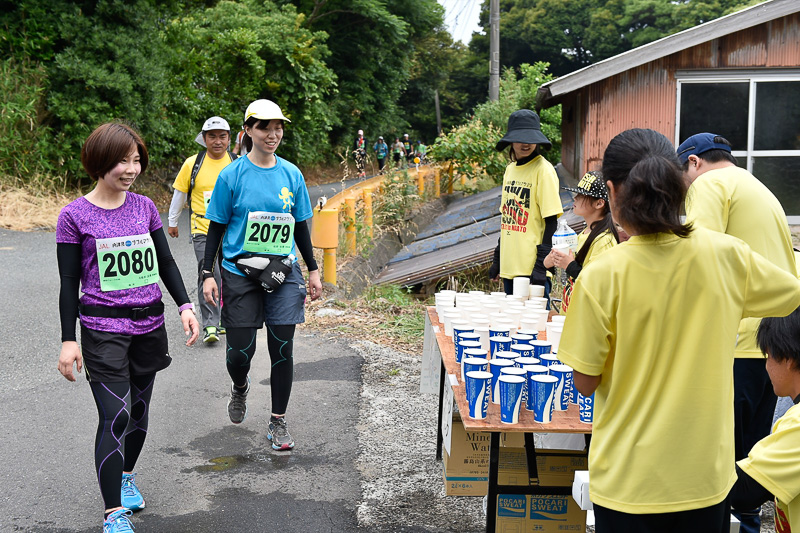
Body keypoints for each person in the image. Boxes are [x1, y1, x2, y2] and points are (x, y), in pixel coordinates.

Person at [557, 128, 800, 533]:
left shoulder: (601, 276)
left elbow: (585, 381)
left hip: (627, 480)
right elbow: (791, 294)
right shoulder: (727, 256)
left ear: (613, 192)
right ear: (677, 183)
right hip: (705, 480)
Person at [56, 122, 200, 533]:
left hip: (149, 325)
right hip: (102, 330)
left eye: (137, 160)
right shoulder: (74, 216)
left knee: (138, 413)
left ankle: (125, 476)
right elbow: (69, 284)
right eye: (122, 160)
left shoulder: (145, 208)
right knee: (114, 416)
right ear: (100, 162)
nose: (131, 168)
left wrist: (184, 306)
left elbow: (166, 263)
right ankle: (113, 513)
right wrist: (69, 340)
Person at [678, 132, 797, 533]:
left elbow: (698, 260)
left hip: (738, 342)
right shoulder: (757, 186)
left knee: (723, 465)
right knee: (755, 461)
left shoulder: (709, 184)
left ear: (693, 163)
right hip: (775, 345)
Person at [201, 99, 323, 451]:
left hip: (283, 271)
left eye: (278, 127)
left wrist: (313, 269)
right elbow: (216, 228)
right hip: (238, 271)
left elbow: (300, 226)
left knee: (282, 347)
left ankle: (277, 422)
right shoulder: (232, 175)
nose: (273, 134)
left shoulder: (291, 173)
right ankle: (240, 386)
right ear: (248, 131)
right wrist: (208, 273)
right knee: (240, 353)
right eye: (265, 127)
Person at [168, 116, 236, 344]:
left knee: (229, 273)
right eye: (212, 136)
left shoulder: (237, 162)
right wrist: (173, 221)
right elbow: (179, 194)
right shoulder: (192, 164)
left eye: (222, 136)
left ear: (229, 138)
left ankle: (226, 318)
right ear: (204, 138)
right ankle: (210, 324)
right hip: (202, 229)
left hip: (232, 230)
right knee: (208, 273)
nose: (217, 141)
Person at [731, 307, 800, 533]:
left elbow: (744, 491)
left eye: (768, 356)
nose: (767, 366)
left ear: (789, 359)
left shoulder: (797, 426)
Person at [488, 109, 562, 302]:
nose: (525, 143)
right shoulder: (510, 170)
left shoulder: (543, 170)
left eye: (530, 138)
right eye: (520, 138)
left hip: (532, 269)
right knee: (513, 326)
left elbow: (551, 222)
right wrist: (498, 259)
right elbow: (507, 218)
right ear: (511, 141)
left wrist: (541, 266)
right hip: (510, 266)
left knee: (533, 328)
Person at [543, 171, 618, 314]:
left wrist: (569, 265)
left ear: (599, 203)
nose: (575, 198)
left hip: (586, 321)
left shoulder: (604, 240)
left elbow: (597, 284)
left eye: (582, 195)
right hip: (573, 316)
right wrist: (551, 261)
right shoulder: (584, 233)